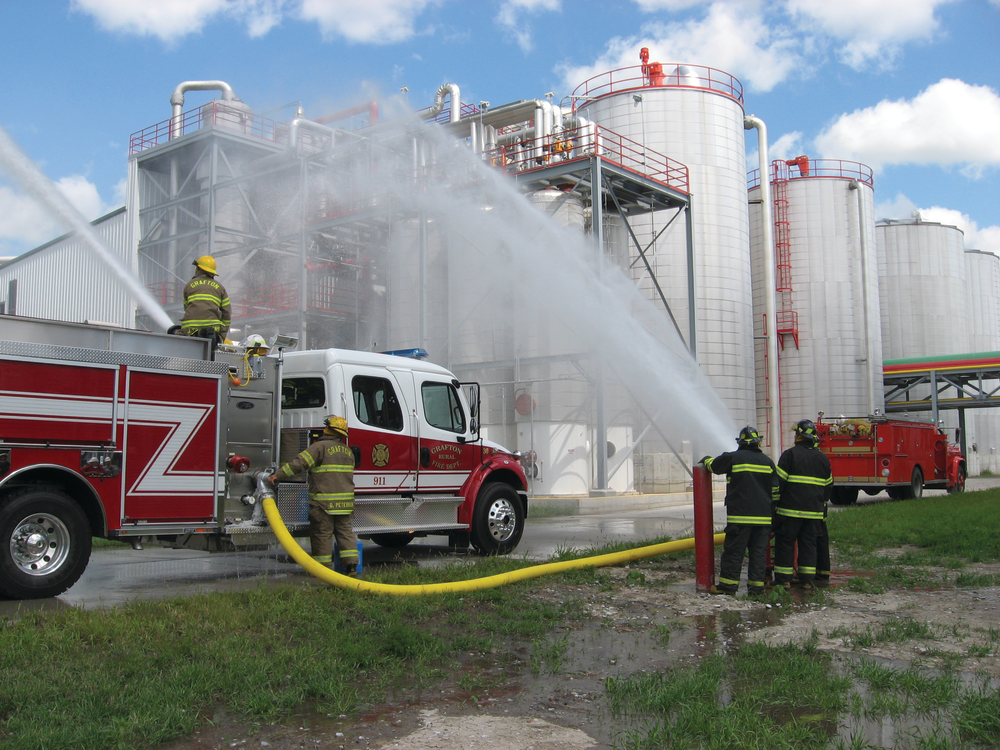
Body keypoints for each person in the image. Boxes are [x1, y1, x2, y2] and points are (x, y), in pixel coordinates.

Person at [269, 415, 359, 576]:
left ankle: (322, 571)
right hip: (345, 504)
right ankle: (351, 566)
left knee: (322, 534)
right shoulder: (348, 451)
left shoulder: (318, 448)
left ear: (327, 429)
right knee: (345, 533)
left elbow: (299, 464)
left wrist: (278, 475)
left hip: (323, 504)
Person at [700, 426, 778, 597]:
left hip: (740, 518)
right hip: (763, 519)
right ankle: (756, 589)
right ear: (758, 443)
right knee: (758, 554)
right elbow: (775, 490)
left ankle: (728, 587)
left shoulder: (733, 458)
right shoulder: (768, 462)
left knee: (734, 553)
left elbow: (714, 466)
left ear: (741, 443)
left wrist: (706, 460)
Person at [773, 419, 832, 592]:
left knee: (785, 543)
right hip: (813, 513)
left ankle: (784, 580)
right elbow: (828, 487)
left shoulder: (789, 455)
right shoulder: (823, 459)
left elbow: (778, 484)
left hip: (789, 511)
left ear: (799, 435)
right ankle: (806, 580)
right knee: (808, 545)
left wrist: (774, 503)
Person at [180, 255, 231, 344]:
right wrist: (221, 336)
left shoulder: (188, 285)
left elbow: (186, 307)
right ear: (212, 272)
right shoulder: (220, 287)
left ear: (197, 269)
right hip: (213, 328)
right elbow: (227, 313)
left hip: (190, 329)